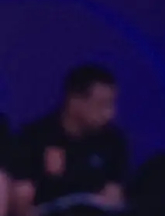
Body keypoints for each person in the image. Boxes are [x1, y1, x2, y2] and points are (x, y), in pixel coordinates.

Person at [9, 65, 128, 216]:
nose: (109, 114)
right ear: (74, 101)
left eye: (111, 104)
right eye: (101, 105)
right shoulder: (33, 138)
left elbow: (115, 192)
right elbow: (22, 199)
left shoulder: (114, 141)